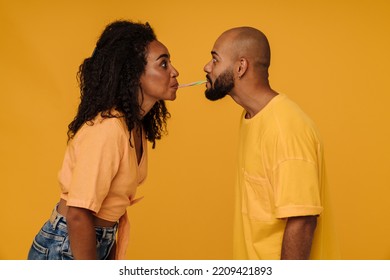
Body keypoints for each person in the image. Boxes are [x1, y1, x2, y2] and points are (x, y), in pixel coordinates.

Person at [27, 20, 179, 260]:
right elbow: (78, 214)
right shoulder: (109, 129)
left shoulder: (134, 126)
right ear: (134, 73)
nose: (174, 71)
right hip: (67, 246)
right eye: (163, 64)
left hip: (96, 239)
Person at [203, 27, 337, 259]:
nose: (207, 67)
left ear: (240, 67)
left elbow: (302, 221)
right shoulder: (252, 117)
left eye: (215, 59)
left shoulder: (286, 128)